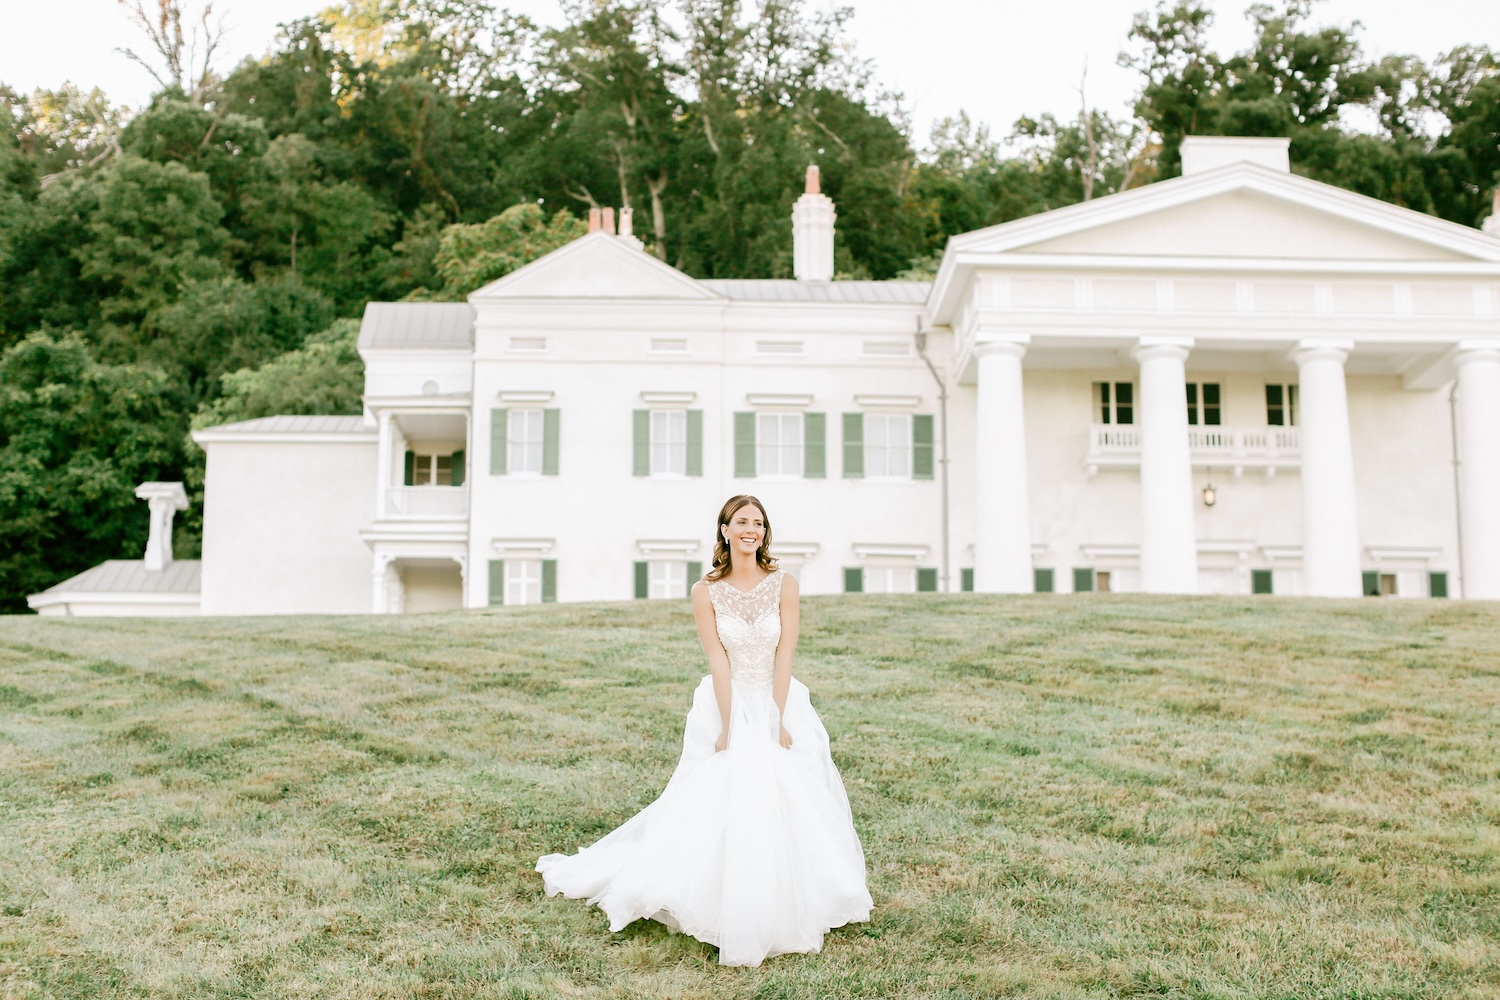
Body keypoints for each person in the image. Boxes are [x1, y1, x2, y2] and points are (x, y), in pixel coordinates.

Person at [536, 494, 872, 967]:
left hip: (778, 699)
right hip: (727, 699)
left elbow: (786, 654)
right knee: (723, 792)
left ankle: (793, 896)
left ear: (764, 532)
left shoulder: (784, 584)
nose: (750, 529)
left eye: (758, 522)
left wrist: (776, 719)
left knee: (789, 792)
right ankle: (715, 896)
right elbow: (718, 659)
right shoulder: (705, 591)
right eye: (741, 522)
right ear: (725, 530)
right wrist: (729, 725)